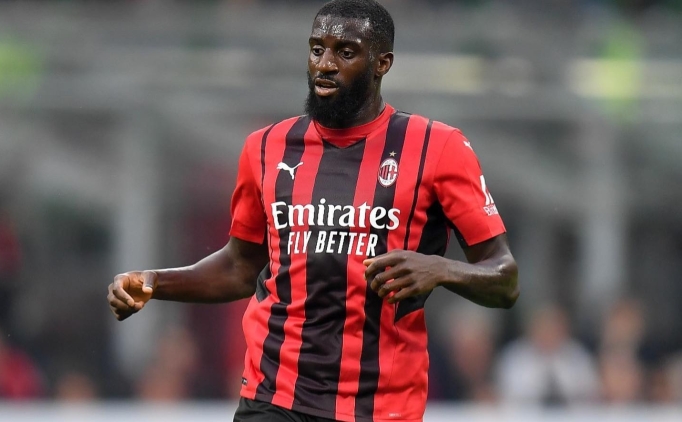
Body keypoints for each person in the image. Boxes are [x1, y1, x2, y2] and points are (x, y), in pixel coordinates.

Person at [107, 1, 519, 421]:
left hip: (380, 406)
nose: (325, 64)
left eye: (345, 52)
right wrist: (156, 281)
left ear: (382, 63)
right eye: (317, 49)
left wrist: (440, 269)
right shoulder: (266, 148)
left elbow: (505, 278)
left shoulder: (438, 148)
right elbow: (240, 266)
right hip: (275, 396)